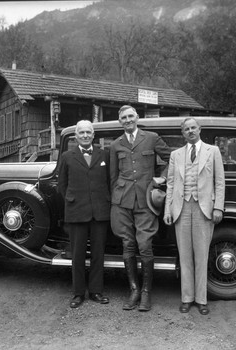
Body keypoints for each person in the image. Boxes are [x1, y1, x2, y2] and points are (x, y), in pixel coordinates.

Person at [110, 105, 171, 312]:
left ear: (137, 117)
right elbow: (112, 176)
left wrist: (162, 177)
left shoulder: (152, 137)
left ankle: (146, 292)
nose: (127, 120)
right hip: (122, 201)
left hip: (146, 200)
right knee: (127, 244)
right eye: (123, 118)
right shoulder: (116, 144)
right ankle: (133, 289)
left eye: (130, 116)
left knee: (144, 244)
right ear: (120, 121)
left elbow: (171, 159)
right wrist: (115, 199)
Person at [163, 118, 225, 315]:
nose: (190, 131)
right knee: (185, 256)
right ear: (183, 133)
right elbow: (170, 184)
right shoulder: (176, 155)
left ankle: (201, 300)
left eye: (193, 128)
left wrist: (218, 208)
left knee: (201, 255)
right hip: (181, 208)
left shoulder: (212, 151)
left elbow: (220, 182)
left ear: (199, 130)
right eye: (186, 129)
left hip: (203, 208)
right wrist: (168, 210)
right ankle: (186, 298)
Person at [58, 120, 111, 308]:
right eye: (82, 133)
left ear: (94, 134)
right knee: (78, 254)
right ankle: (78, 293)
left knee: (98, 253)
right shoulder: (66, 156)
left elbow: (110, 181)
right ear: (76, 136)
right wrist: (73, 200)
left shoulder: (104, 154)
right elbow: (62, 185)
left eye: (89, 132)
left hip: (100, 212)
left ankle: (96, 291)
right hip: (76, 211)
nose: (85, 135)